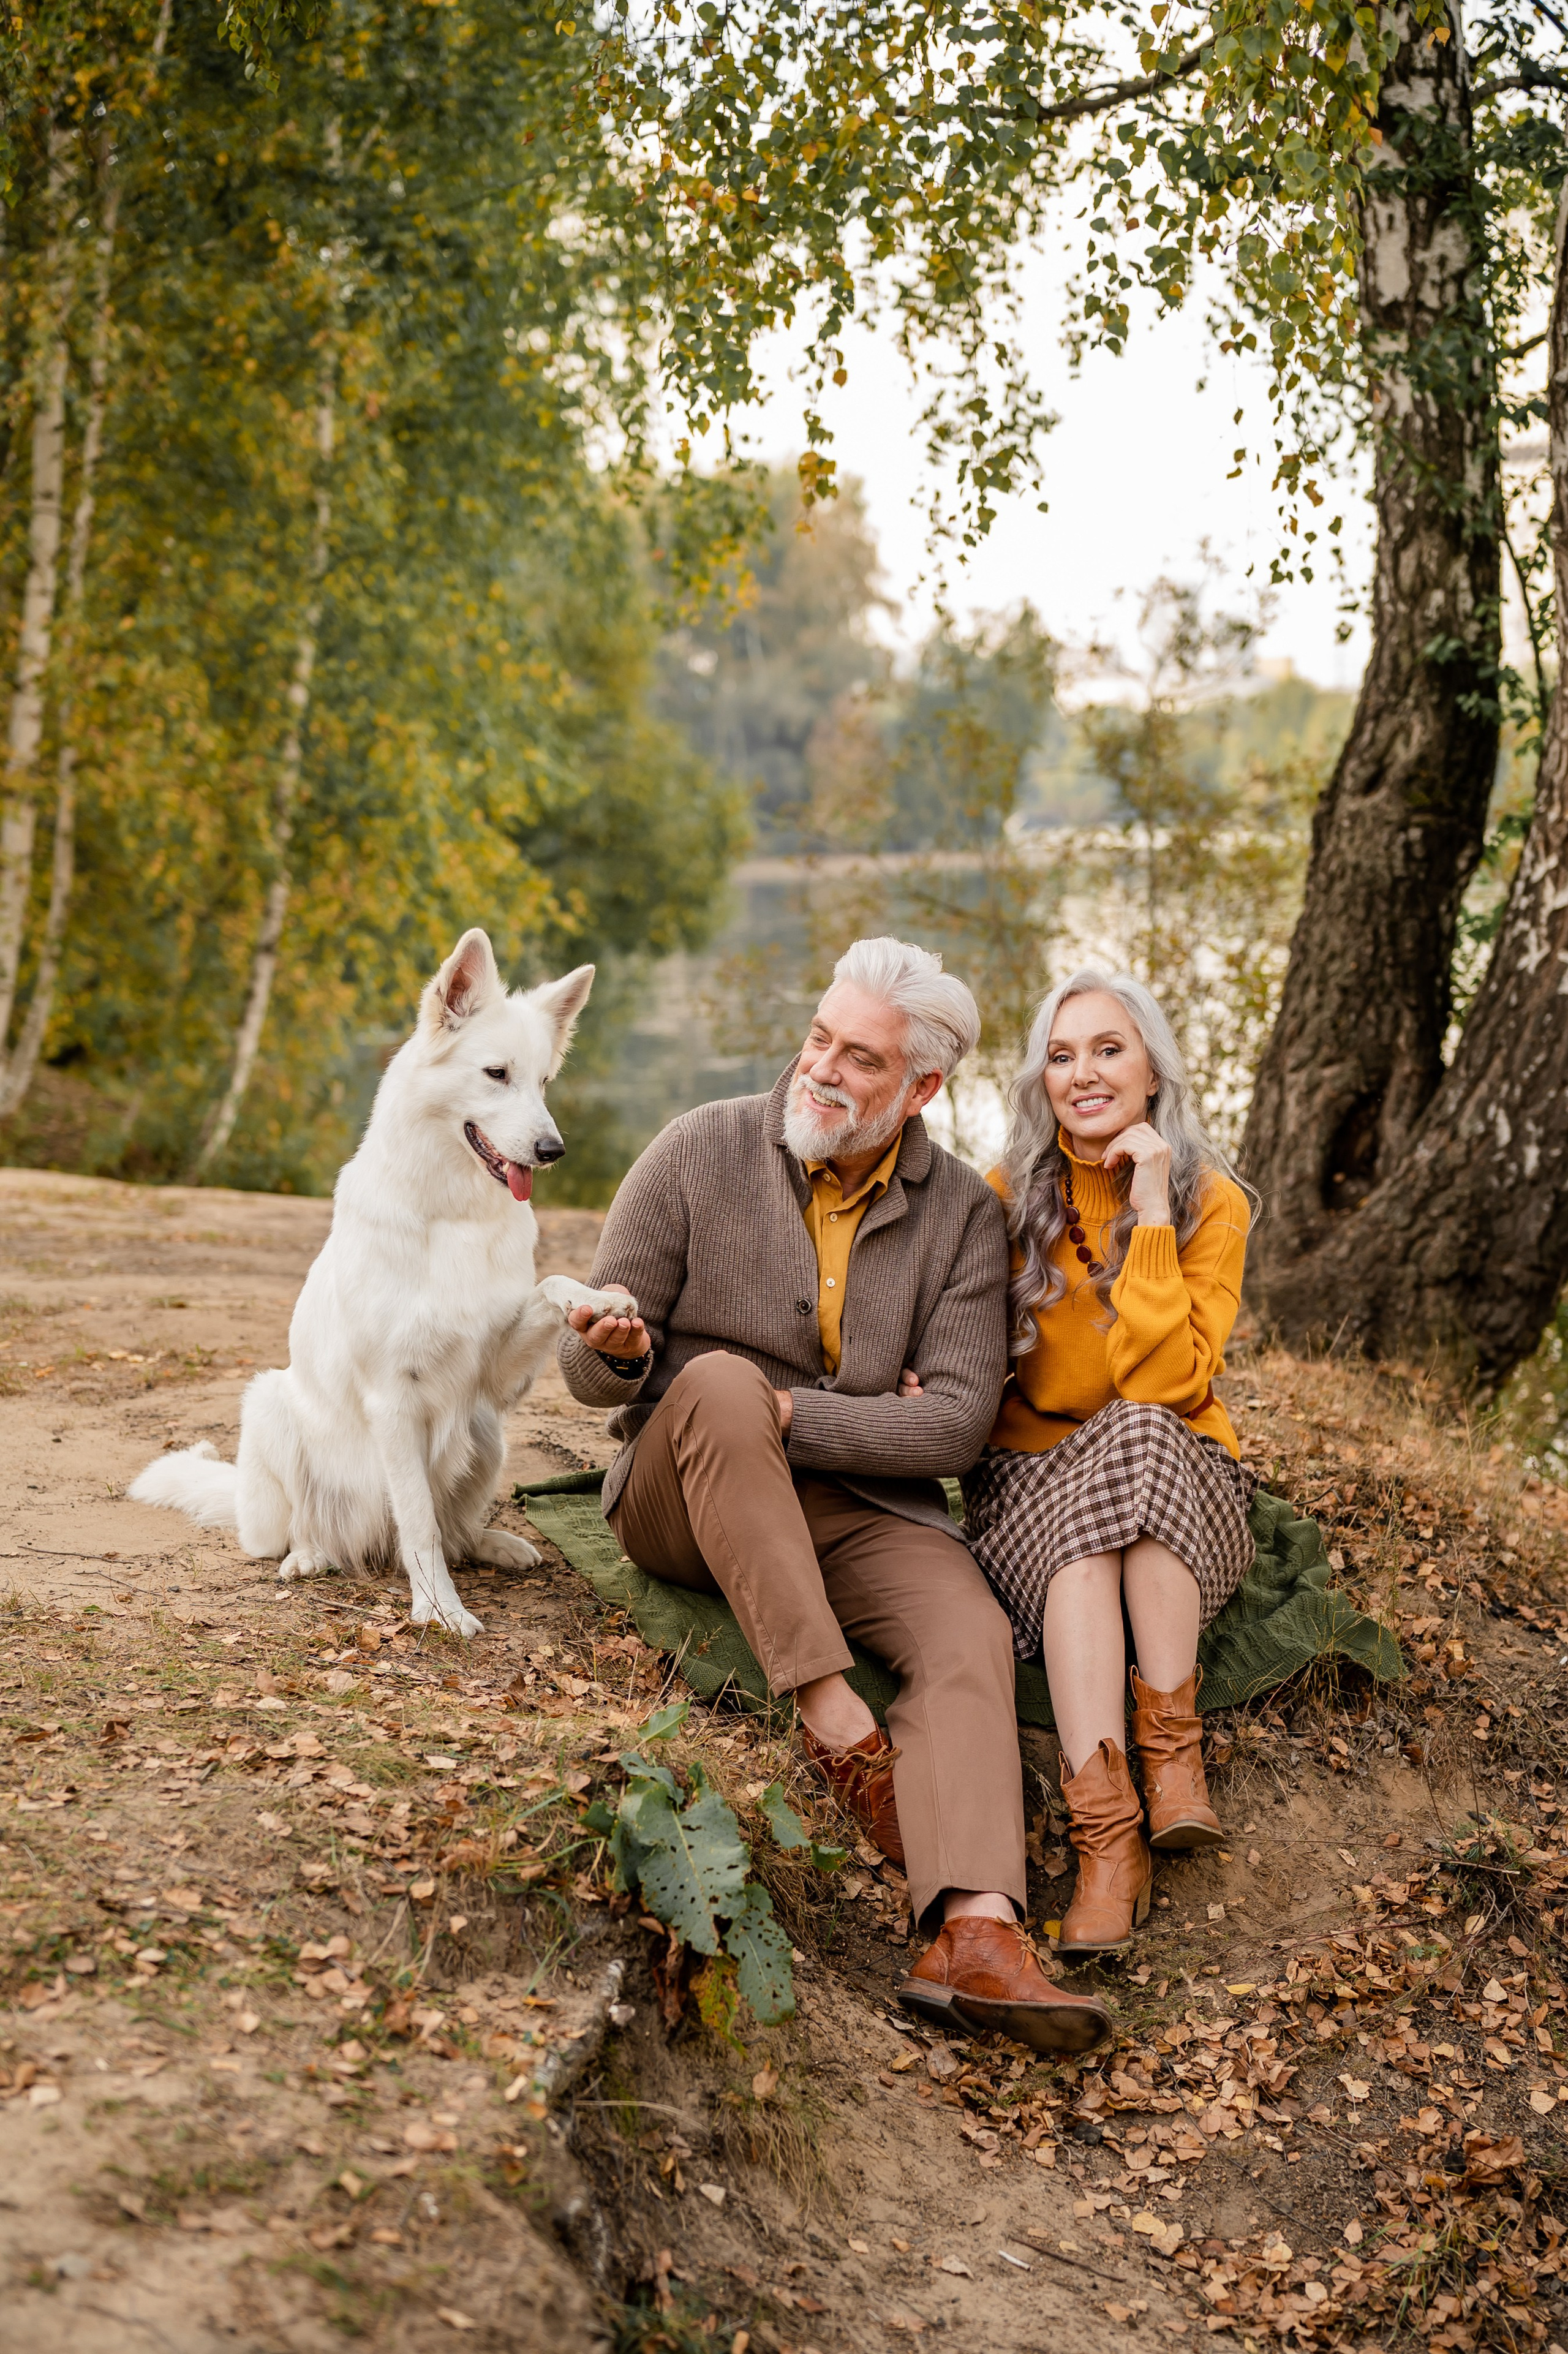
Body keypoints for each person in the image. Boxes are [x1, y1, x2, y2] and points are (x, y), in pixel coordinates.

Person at [557, 937, 1112, 2050]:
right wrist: (621, 1347)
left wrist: (801, 1415)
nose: (822, 1068)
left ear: (920, 1091)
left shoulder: (962, 1213)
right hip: (686, 1485)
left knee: (966, 1628)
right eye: (821, 1038)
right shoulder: (696, 1150)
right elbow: (585, 1376)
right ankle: (829, 1714)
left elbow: (953, 1424)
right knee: (717, 1382)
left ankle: (979, 1936)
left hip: (861, 1506)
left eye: (860, 1059)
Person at [954, 968, 1256, 1958]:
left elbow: (1166, 1382)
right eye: (1060, 1054)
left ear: (1154, 1073)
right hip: (1036, 1489)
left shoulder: (1216, 1205)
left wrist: (1156, 1201)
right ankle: (1111, 1834)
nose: (1083, 1073)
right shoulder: (1002, 1202)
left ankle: (1160, 1780)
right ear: (1041, 1080)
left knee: (1136, 1431)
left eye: (1107, 1048)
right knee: (1090, 1527)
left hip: (1179, 1475)